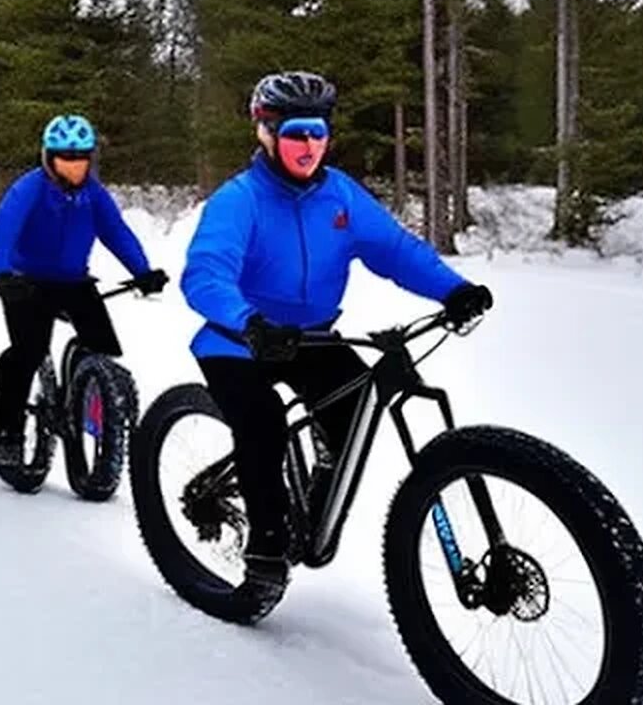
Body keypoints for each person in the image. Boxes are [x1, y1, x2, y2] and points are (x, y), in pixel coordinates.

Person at [180, 71, 493, 600]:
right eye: (296, 133)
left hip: (311, 339)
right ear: (266, 132)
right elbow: (205, 273)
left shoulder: (340, 195)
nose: (309, 146)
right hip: (238, 340)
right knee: (263, 427)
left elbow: (394, 250)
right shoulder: (240, 200)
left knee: (355, 413)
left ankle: (312, 509)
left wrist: (452, 289)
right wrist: (250, 321)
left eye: (318, 132)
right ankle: (266, 551)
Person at [0, 113, 169, 473]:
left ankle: (91, 408)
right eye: (66, 158)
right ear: (49, 158)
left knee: (103, 349)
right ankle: (8, 434)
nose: (74, 166)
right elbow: (1, 237)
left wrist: (143, 272)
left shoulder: (94, 196)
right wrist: (2, 274)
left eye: (81, 158)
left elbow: (117, 234)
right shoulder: (29, 189)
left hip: (73, 281)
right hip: (26, 282)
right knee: (26, 354)